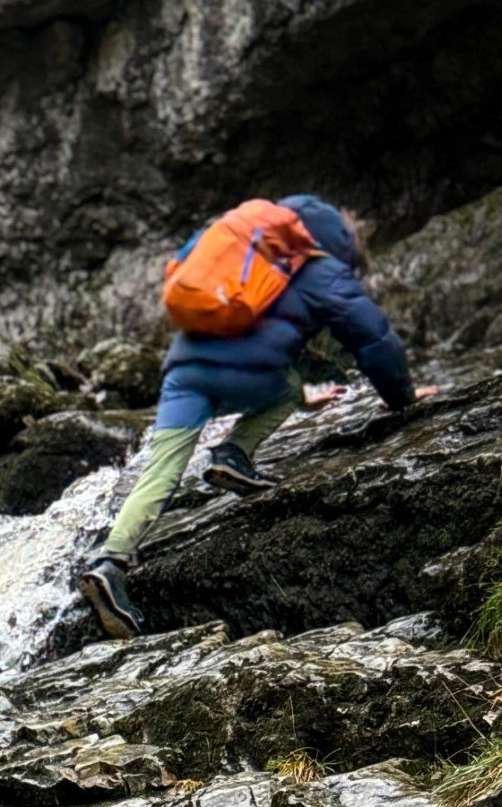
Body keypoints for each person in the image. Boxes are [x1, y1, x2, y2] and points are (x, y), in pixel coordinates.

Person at [78, 194, 416, 639]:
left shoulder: (245, 245)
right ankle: (233, 454)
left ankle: (110, 562)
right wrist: (403, 400)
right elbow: (374, 340)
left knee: (161, 472)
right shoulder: (322, 269)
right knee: (290, 385)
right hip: (247, 377)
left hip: (182, 373)